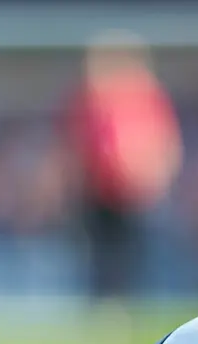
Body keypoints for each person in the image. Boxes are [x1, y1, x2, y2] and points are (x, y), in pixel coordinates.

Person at [64, 31, 181, 301]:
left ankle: (131, 304)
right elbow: (77, 143)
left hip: (134, 191)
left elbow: (161, 139)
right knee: (102, 251)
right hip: (98, 190)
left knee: (133, 253)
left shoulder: (144, 96)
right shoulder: (89, 100)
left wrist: (155, 174)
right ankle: (107, 306)